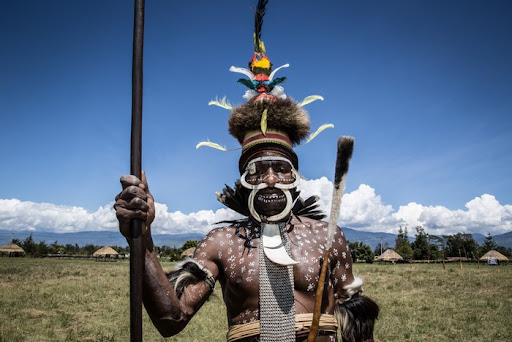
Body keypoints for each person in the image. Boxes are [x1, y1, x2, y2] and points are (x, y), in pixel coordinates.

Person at [114, 2, 378, 341]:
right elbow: (170, 320)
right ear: (244, 179)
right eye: (257, 170)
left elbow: (359, 329)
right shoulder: (222, 243)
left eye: (281, 169)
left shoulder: (328, 237)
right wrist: (142, 238)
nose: (270, 178)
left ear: (295, 177)